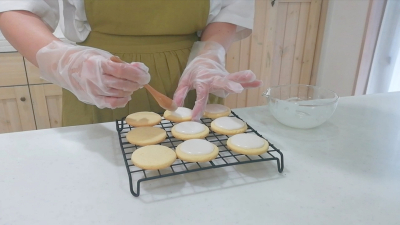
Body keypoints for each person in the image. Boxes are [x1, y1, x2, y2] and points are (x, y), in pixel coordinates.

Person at [0, 0, 262, 126]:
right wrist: (64, 61)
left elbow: (230, 8)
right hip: (100, 77)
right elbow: (15, 7)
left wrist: (209, 55)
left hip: (193, 78)